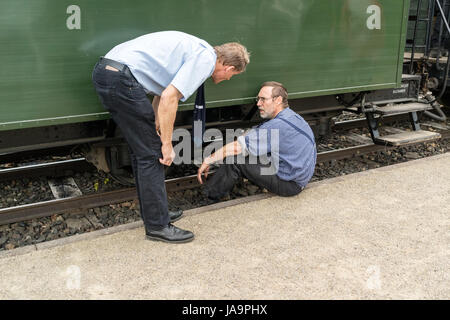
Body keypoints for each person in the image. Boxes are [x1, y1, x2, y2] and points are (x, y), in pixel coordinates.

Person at [92, 31, 249, 243]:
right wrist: (166, 144)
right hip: (121, 78)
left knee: (144, 153)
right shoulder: (205, 60)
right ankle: (158, 226)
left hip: (109, 72)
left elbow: (162, 89)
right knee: (153, 155)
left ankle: (156, 213)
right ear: (229, 68)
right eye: (231, 75)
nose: (227, 78)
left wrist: (157, 122)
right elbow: (169, 97)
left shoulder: (200, 48)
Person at [197, 81, 316, 199]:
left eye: (263, 99)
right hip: (297, 176)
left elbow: (237, 147)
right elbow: (253, 134)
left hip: (290, 184)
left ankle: (210, 195)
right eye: (258, 99)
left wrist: (209, 160)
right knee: (248, 148)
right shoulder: (291, 116)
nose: (258, 103)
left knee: (235, 160)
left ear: (278, 100)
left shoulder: (277, 125)